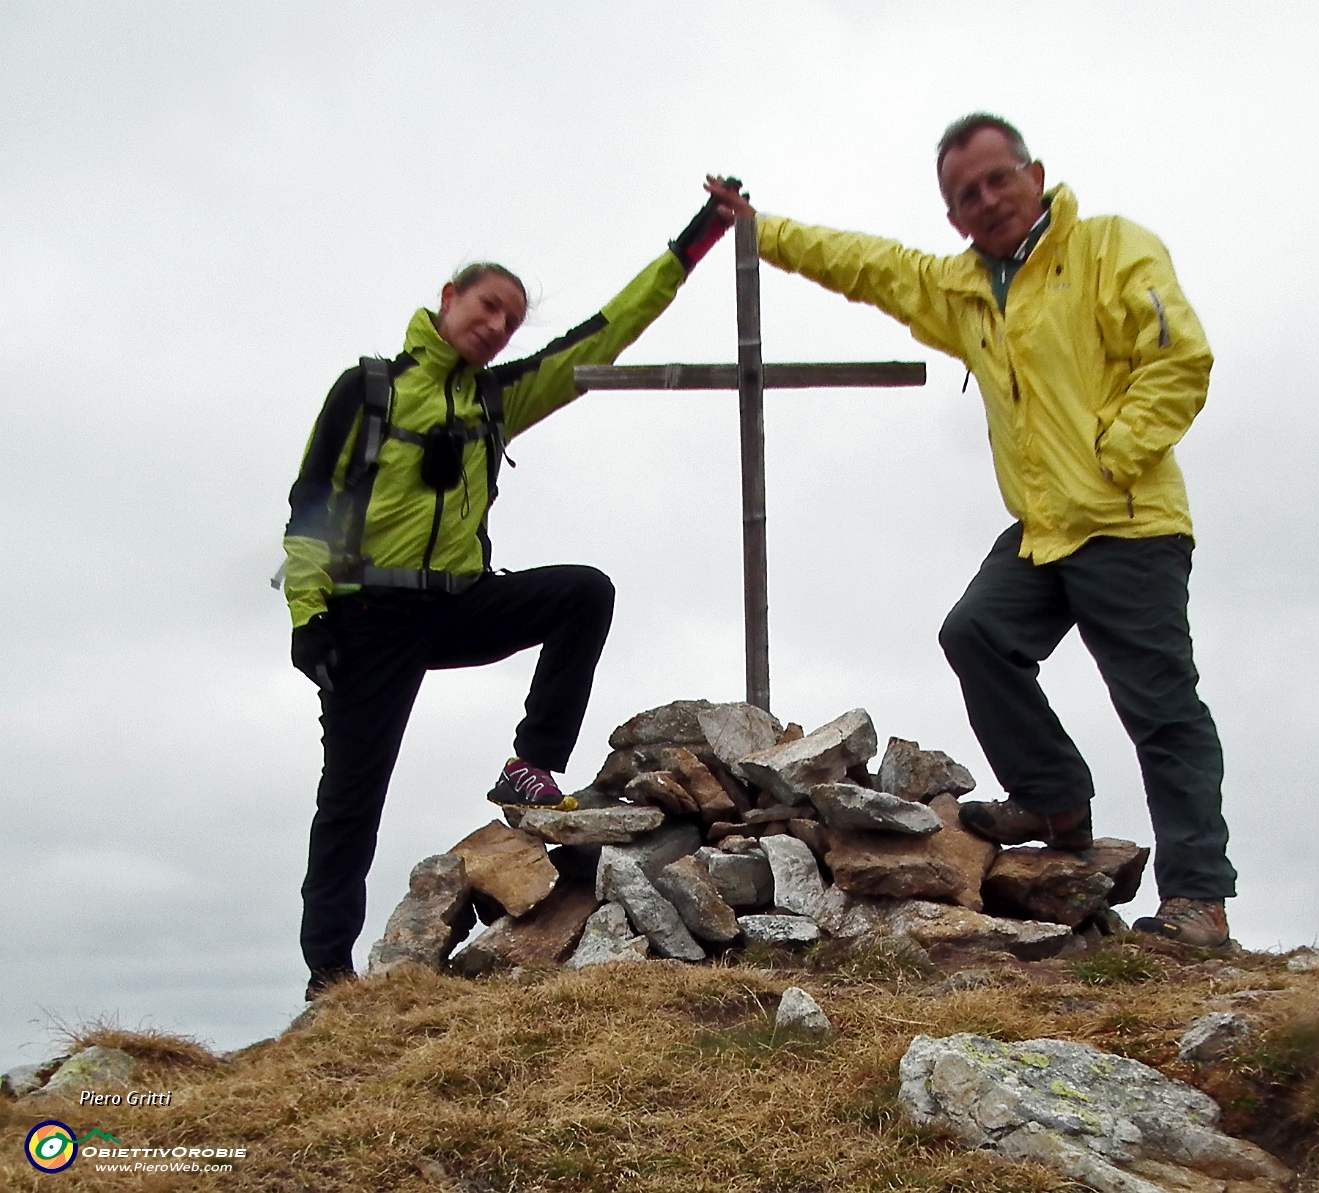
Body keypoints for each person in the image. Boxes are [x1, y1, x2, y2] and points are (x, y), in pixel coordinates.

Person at [705, 116, 1237, 947]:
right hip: (1042, 527)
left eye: (998, 179)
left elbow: (1177, 357)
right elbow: (868, 266)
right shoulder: (962, 289)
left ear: (1036, 174)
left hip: (1128, 520)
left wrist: (1113, 455)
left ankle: (1198, 898)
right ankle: (1054, 796)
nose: (987, 201)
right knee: (978, 631)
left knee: (1160, 709)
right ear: (953, 216)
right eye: (966, 195)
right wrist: (761, 231)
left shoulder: (1109, 248)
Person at [282, 189, 736, 997]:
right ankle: (328, 971)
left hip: (457, 604)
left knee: (581, 594)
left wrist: (692, 245)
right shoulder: (370, 389)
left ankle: (532, 765)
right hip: (368, 618)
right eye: (488, 306)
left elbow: (605, 330)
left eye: (510, 321)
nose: (496, 327)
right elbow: (311, 505)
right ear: (449, 299)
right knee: (351, 796)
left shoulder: (500, 397)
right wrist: (309, 619)